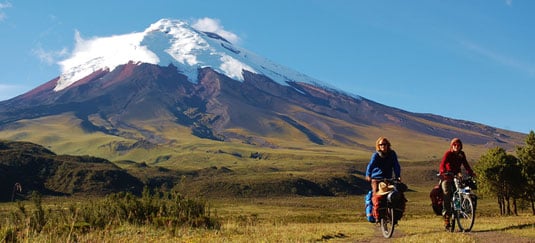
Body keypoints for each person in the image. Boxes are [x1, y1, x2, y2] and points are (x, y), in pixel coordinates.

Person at [439, 138, 475, 231]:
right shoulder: (448, 154)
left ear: (461, 146)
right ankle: (447, 217)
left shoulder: (461, 155)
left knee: (461, 191)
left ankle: (459, 211)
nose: (456, 146)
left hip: (457, 177)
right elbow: (442, 164)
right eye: (454, 145)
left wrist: (471, 173)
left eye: (458, 145)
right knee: (446, 193)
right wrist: (443, 171)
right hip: (447, 177)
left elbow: (466, 165)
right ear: (452, 146)